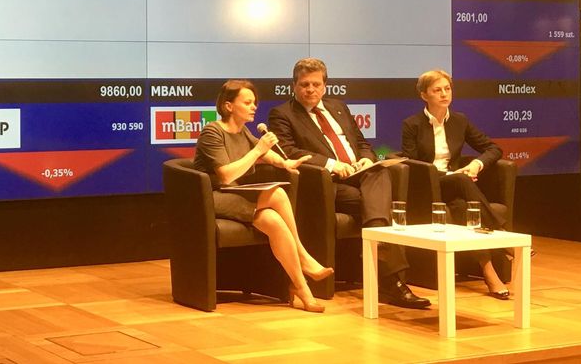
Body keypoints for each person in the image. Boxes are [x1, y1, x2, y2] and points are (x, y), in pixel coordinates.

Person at [268, 58, 430, 309]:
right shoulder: (282, 114)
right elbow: (288, 151)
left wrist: (366, 159)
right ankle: (392, 282)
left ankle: (377, 245)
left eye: (316, 84)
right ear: (294, 86)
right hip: (327, 183)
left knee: (380, 173)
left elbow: (361, 142)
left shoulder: (338, 107)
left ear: (325, 85)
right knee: (380, 207)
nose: (310, 89)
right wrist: (331, 164)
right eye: (304, 84)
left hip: (358, 173)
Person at [194, 79, 333, 313]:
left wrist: (285, 163)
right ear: (229, 106)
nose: (254, 107)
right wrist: (258, 149)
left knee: (274, 221)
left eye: (254, 102)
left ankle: (301, 288)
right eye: (247, 102)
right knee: (277, 194)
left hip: (233, 195)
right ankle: (303, 256)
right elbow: (226, 175)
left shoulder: (243, 131)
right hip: (210, 197)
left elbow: (266, 155)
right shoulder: (213, 131)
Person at [401, 69, 509, 299]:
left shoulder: (460, 121)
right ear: (424, 95)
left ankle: (489, 272)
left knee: (463, 208)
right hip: (429, 186)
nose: (444, 94)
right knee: (461, 179)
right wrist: (451, 174)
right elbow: (412, 163)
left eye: (447, 89)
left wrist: (476, 164)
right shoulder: (412, 124)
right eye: (437, 90)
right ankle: (500, 231)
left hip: (454, 187)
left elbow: (493, 149)